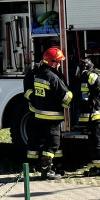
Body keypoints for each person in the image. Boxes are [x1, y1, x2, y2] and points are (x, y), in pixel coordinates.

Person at [24, 46, 73, 180]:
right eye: (57, 62)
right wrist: (70, 102)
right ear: (51, 62)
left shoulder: (40, 75)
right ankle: (46, 170)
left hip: (40, 115)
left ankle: (56, 166)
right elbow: (66, 96)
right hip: (52, 116)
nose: (58, 65)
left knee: (50, 141)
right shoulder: (53, 77)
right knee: (52, 144)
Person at [78, 58, 100, 176]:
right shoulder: (98, 74)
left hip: (95, 114)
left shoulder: (88, 77)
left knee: (97, 143)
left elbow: (85, 97)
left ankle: (99, 169)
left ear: (84, 68)